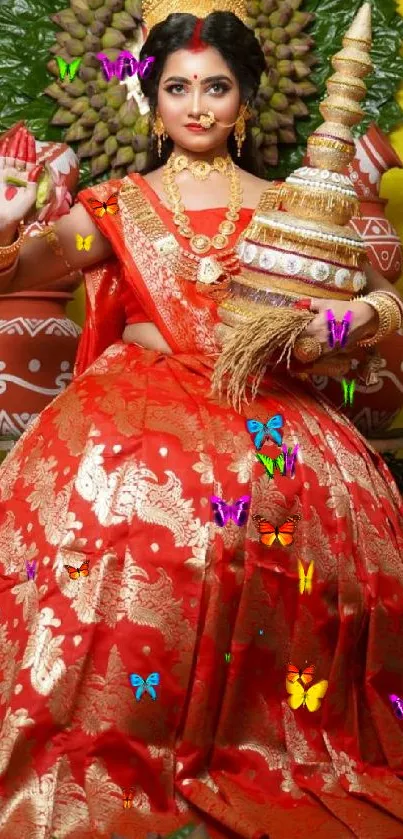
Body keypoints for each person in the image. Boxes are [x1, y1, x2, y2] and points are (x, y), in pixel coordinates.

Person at [0, 6, 402, 839]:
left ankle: (262, 738)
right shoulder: (116, 207)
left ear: (244, 100)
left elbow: (378, 299)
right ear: (150, 102)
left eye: (215, 87)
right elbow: (24, 269)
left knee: (292, 518)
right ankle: (115, 738)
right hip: (138, 405)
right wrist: (10, 216)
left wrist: (340, 324)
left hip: (271, 409)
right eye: (176, 87)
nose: (196, 105)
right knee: (122, 505)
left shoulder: (295, 205)